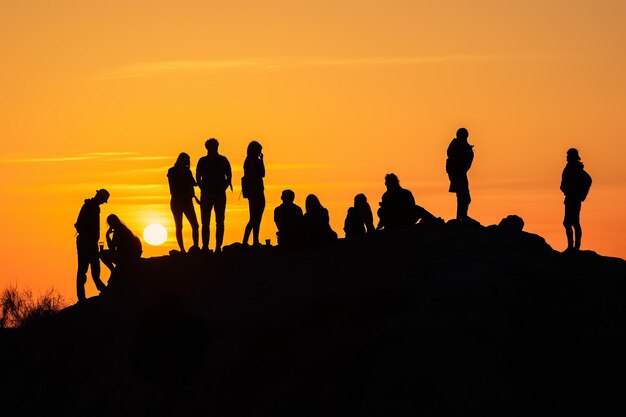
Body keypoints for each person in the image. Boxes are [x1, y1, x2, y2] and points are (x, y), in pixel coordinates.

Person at [196, 138, 232, 253]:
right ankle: (205, 247)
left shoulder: (223, 160)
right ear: (207, 147)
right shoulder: (202, 161)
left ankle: (217, 247)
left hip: (219, 195)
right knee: (205, 222)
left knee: (220, 222)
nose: (213, 148)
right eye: (211, 146)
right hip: (206, 195)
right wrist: (203, 189)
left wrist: (223, 189)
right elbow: (198, 177)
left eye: (215, 146)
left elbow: (229, 176)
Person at [74, 189, 110, 302]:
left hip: (92, 243)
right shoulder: (88, 206)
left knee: (95, 267)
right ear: (98, 197)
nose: (102, 202)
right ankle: (81, 297)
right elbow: (78, 224)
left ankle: (102, 289)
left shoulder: (95, 207)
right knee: (83, 269)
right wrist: (86, 236)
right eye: (102, 200)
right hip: (85, 243)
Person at [560, 148, 592, 252]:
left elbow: (588, 180)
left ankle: (575, 247)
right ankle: (571, 247)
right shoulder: (569, 167)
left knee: (574, 223)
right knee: (567, 223)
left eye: (568, 155)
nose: (566, 157)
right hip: (569, 198)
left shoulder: (576, 168)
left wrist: (581, 194)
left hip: (574, 199)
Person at [167, 152, 200, 253]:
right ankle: (182, 249)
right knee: (179, 226)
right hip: (177, 201)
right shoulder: (172, 171)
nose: (187, 162)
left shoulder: (187, 171)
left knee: (195, 225)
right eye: (186, 160)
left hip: (187, 201)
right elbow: (172, 189)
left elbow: (194, 183)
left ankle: (195, 247)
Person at [99, 214, 142, 284]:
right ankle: (115, 272)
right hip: (129, 255)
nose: (110, 225)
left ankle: (113, 271)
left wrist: (107, 236)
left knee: (101, 254)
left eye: (110, 223)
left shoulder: (118, 231)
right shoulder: (123, 228)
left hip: (126, 256)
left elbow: (112, 248)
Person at [446, 127, 474, 220]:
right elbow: (453, 157)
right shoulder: (457, 145)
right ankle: (461, 218)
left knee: (463, 197)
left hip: (459, 174)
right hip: (458, 174)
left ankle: (461, 217)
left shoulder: (460, 145)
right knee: (464, 197)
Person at [241, 141, 266, 246]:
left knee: (255, 218)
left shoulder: (247, 161)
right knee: (255, 218)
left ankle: (252, 240)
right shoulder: (254, 161)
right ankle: (249, 241)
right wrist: (262, 161)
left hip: (253, 192)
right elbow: (263, 174)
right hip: (256, 192)